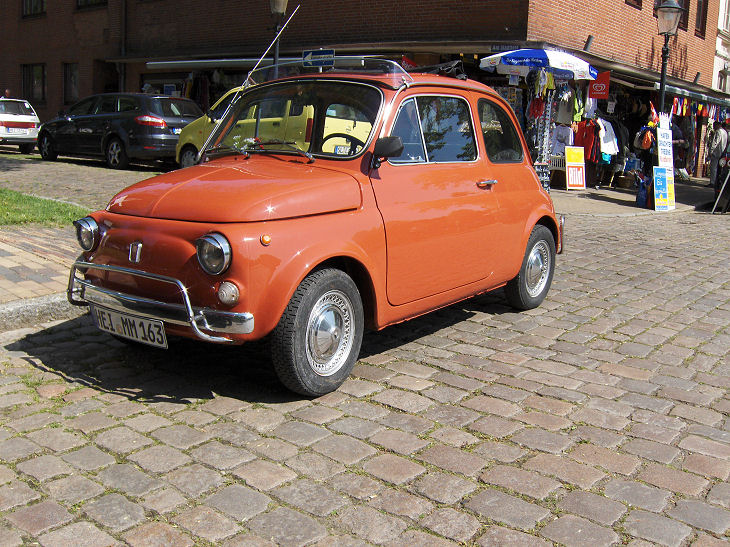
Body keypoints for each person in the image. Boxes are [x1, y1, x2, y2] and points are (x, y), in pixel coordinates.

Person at [708, 120, 727, 191]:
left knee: (713, 167)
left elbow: (715, 142)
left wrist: (711, 151)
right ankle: (716, 182)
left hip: (716, 152)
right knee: (718, 169)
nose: (713, 127)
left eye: (714, 125)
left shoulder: (718, 132)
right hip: (722, 152)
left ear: (717, 125)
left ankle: (712, 182)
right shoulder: (725, 132)